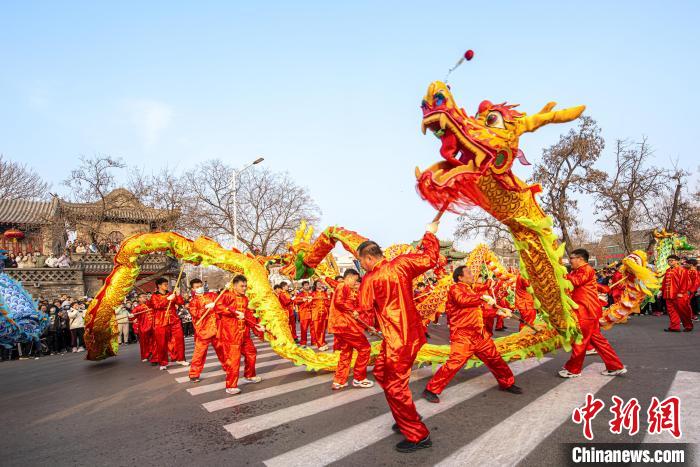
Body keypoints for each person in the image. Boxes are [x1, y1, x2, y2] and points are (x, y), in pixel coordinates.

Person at [357, 221, 440, 453]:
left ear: (367, 258)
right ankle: (406, 417)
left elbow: (364, 313)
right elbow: (429, 258)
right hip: (409, 335)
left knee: (395, 385)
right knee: (383, 374)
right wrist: (430, 234)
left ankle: (418, 435)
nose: (362, 266)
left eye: (362, 261)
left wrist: (354, 313)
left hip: (397, 340)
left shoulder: (370, 280)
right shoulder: (402, 264)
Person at [423, 266, 521, 403]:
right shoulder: (455, 289)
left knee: (495, 359)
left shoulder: (471, 290)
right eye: (468, 272)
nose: (472, 273)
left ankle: (507, 382)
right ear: (460, 277)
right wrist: (482, 297)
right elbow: (463, 300)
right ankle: (431, 389)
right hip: (463, 335)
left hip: (479, 334)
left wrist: (497, 312)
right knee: (454, 363)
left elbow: (478, 312)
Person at [559, 249, 626, 378]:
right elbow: (591, 285)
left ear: (580, 259)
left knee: (581, 340)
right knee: (598, 341)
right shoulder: (581, 270)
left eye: (572, 258)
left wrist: (562, 273)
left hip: (586, 310)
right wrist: (603, 288)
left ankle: (573, 369)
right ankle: (615, 366)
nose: (570, 260)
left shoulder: (585, 269)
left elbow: (576, 282)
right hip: (589, 309)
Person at [214, 275, 265, 394]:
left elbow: (248, 316)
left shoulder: (245, 299)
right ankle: (231, 386)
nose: (244, 288)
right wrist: (234, 312)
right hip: (231, 333)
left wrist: (256, 326)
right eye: (242, 286)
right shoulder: (226, 295)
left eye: (245, 286)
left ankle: (249, 375)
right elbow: (218, 307)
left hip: (244, 333)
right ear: (235, 285)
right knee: (233, 359)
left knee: (251, 352)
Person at [328, 269, 374, 390]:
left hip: (342, 326)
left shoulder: (349, 289)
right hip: (346, 325)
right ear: (350, 276)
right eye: (355, 279)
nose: (355, 282)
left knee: (346, 352)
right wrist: (352, 310)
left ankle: (339, 381)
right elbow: (339, 302)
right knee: (365, 348)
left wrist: (356, 311)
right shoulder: (342, 285)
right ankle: (359, 378)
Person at [187, 279, 226, 383]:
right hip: (203, 331)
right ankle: (194, 374)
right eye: (196, 287)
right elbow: (195, 314)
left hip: (216, 328)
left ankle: (227, 366)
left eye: (200, 285)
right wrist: (205, 308)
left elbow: (221, 303)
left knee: (222, 349)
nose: (199, 288)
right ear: (193, 289)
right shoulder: (193, 302)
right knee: (199, 353)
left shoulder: (211, 295)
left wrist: (226, 290)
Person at [147, 277, 187, 370]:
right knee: (161, 343)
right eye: (165, 284)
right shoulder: (154, 296)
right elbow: (157, 306)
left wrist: (177, 294)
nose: (167, 286)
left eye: (167, 284)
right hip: (161, 322)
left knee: (179, 339)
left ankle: (180, 358)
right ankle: (163, 362)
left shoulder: (171, 294)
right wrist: (167, 299)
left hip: (174, 320)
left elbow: (180, 302)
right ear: (159, 286)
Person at [661, 255, 693, 332]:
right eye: (668, 260)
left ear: (677, 261)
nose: (670, 262)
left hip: (679, 295)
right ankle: (674, 327)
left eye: (672, 260)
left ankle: (688, 326)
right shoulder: (668, 270)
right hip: (668, 295)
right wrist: (662, 290)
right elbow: (664, 282)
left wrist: (681, 292)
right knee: (671, 311)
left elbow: (685, 283)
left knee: (683, 311)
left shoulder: (682, 270)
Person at [131, 294, 154, 362]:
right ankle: (145, 356)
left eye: (145, 296)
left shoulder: (149, 305)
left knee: (152, 342)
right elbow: (133, 316)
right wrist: (132, 316)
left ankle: (153, 353)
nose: (145, 298)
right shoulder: (138, 308)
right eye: (143, 297)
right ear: (139, 299)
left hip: (152, 327)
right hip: (143, 328)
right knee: (144, 343)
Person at [310, 280, 331, 351]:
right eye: (318, 284)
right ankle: (319, 344)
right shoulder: (313, 293)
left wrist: (328, 298)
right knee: (317, 329)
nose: (319, 285)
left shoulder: (324, 293)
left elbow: (328, 303)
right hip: (316, 314)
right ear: (315, 285)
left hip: (324, 313)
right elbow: (309, 304)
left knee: (323, 329)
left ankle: (322, 342)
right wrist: (313, 304)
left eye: (320, 283)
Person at [293, 281, 313, 347]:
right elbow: (295, 301)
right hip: (304, 314)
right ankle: (303, 343)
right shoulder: (300, 294)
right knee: (304, 329)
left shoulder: (311, 293)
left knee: (313, 328)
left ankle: (314, 341)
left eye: (308, 285)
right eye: (305, 285)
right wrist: (303, 300)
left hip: (312, 313)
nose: (307, 286)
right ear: (303, 286)